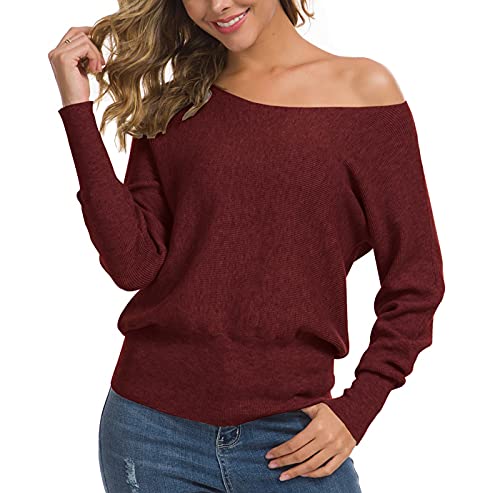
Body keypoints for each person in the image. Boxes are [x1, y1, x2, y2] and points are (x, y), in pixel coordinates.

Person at [48, 1, 445, 491]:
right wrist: (76, 109)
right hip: (150, 432)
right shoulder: (177, 102)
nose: (218, 5)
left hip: (293, 438)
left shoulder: (363, 92)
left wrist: (359, 408)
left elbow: (416, 280)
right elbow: (133, 265)